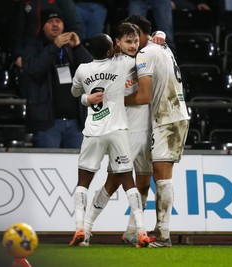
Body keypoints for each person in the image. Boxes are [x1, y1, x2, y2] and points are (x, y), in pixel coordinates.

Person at [69, 32, 150, 248]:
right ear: (110, 50)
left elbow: (76, 92)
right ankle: (141, 230)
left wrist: (87, 98)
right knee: (128, 181)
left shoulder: (82, 69)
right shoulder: (122, 64)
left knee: (83, 182)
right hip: (117, 131)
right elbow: (137, 57)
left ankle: (80, 229)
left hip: (93, 132)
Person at [124, 15, 190, 248]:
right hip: (172, 115)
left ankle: (163, 235)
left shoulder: (145, 53)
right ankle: (139, 231)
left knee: (162, 179)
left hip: (168, 118)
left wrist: (114, 99)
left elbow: (142, 96)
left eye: (133, 35)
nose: (131, 41)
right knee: (158, 177)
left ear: (140, 33)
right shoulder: (161, 47)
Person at [21, 8, 92, 148]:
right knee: (46, 167)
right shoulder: (34, 47)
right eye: (50, 21)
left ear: (63, 26)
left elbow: (92, 71)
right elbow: (35, 69)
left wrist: (78, 47)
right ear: (43, 26)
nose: (55, 24)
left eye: (58, 21)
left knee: (75, 169)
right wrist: (54, 46)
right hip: (48, 125)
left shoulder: (71, 48)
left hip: (76, 125)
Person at [13, 0, 82, 69]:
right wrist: (18, 54)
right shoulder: (26, 2)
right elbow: (19, 29)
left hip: (58, 52)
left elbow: (75, 28)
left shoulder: (64, 2)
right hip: (31, 51)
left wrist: (68, 49)